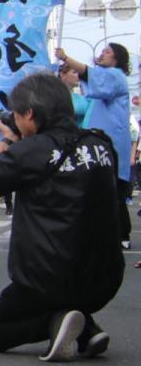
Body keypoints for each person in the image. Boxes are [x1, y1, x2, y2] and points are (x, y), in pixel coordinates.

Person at [0, 73, 124, 361]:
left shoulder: (34, 149)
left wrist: (4, 143)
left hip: (47, 279)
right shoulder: (100, 144)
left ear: (28, 114)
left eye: (16, 114)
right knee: (70, 295)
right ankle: (85, 327)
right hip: (104, 277)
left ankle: (58, 320)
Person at [56, 45, 132, 246]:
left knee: (112, 190)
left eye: (107, 51)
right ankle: (104, 234)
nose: (102, 54)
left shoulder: (115, 75)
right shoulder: (102, 81)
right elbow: (92, 79)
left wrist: (66, 57)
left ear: (117, 58)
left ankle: (121, 234)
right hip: (94, 142)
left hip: (110, 141)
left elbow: (91, 75)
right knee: (99, 190)